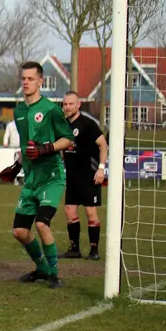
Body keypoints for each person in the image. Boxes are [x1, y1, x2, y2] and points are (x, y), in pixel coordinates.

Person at [0, 61, 73, 289]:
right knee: (20, 232)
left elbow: (68, 139)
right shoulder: (19, 111)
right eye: (24, 79)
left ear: (41, 81)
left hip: (52, 178)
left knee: (42, 225)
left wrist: (45, 148)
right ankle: (41, 268)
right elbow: (25, 146)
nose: (26, 82)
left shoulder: (51, 109)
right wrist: (16, 167)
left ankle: (54, 275)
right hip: (31, 180)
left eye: (31, 78)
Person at [60, 91, 108, 261]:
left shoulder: (88, 124)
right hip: (72, 176)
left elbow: (103, 145)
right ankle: (75, 249)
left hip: (89, 174)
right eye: (65, 104)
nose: (67, 107)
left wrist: (101, 168)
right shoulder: (63, 125)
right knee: (69, 210)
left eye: (71, 104)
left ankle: (94, 250)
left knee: (90, 212)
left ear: (78, 105)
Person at [3, 119, 21, 185]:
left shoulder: (23, 122)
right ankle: (14, 179)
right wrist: (5, 143)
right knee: (14, 164)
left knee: (22, 164)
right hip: (12, 146)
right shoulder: (10, 125)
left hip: (21, 146)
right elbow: (6, 134)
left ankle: (21, 179)